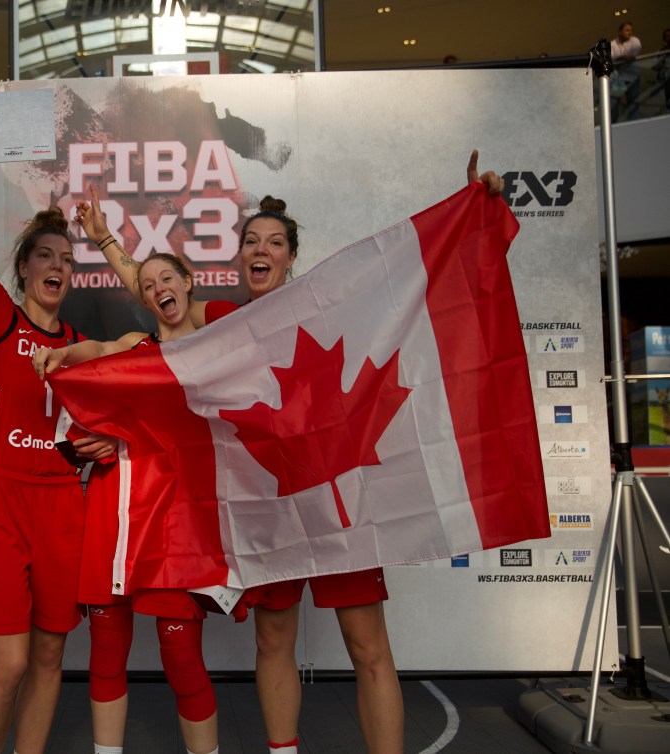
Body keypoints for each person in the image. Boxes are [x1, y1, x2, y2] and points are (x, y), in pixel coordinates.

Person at [78, 153, 504, 754]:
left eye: (274, 241)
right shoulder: (223, 319)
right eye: (251, 240)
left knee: (368, 647)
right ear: (240, 256)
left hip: (339, 506)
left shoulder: (328, 303)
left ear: (289, 256)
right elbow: (157, 292)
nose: (261, 248)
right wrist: (105, 241)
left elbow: (408, 280)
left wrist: (470, 210)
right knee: (274, 644)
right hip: (272, 508)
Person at [0, 83, 114, 754]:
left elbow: (115, 415)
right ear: (21, 270)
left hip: (61, 506)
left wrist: (102, 443)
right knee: (9, 663)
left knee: (50, 659)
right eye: (45, 256)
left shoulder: (78, 343)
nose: (57, 266)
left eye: (67, 259)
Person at [33, 252, 220, 754]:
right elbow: (95, 348)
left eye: (168, 277)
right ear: (143, 298)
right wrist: (64, 356)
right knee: (106, 649)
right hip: (115, 509)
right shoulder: (137, 345)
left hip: (175, 519)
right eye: (149, 282)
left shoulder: (219, 348)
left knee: (182, 656)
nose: (160, 287)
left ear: (187, 283)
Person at [610, 21, 642, 121]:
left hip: (633, 77)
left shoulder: (635, 41)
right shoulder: (612, 44)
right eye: (627, 30)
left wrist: (621, 57)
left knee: (633, 102)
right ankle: (613, 125)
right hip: (618, 78)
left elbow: (632, 56)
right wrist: (623, 57)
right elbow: (612, 58)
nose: (630, 32)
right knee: (614, 103)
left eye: (631, 30)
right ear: (620, 31)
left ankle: (634, 123)